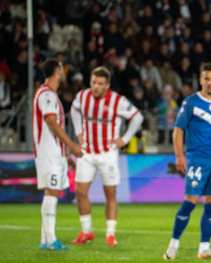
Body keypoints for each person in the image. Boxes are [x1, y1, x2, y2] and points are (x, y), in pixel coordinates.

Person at [163, 62, 211, 261]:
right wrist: (179, 155)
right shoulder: (190, 103)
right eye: (206, 78)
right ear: (201, 80)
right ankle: (173, 245)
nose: (210, 82)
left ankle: (204, 248)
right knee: (190, 201)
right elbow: (178, 129)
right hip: (197, 159)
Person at [70, 66, 144, 246]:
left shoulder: (117, 100)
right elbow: (74, 109)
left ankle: (110, 234)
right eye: (93, 82)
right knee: (80, 191)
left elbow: (137, 117)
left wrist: (124, 139)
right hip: (87, 151)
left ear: (107, 85)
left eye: (100, 84)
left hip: (107, 153)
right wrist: (79, 132)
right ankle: (86, 231)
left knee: (110, 194)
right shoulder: (83, 96)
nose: (95, 86)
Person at [33, 58, 83, 250]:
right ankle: (50, 240)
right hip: (49, 152)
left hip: (55, 152)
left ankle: (46, 239)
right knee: (52, 192)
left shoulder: (49, 94)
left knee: (51, 192)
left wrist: (66, 155)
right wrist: (72, 146)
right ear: (58, 72)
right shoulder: (47, 94)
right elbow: (52, 123)